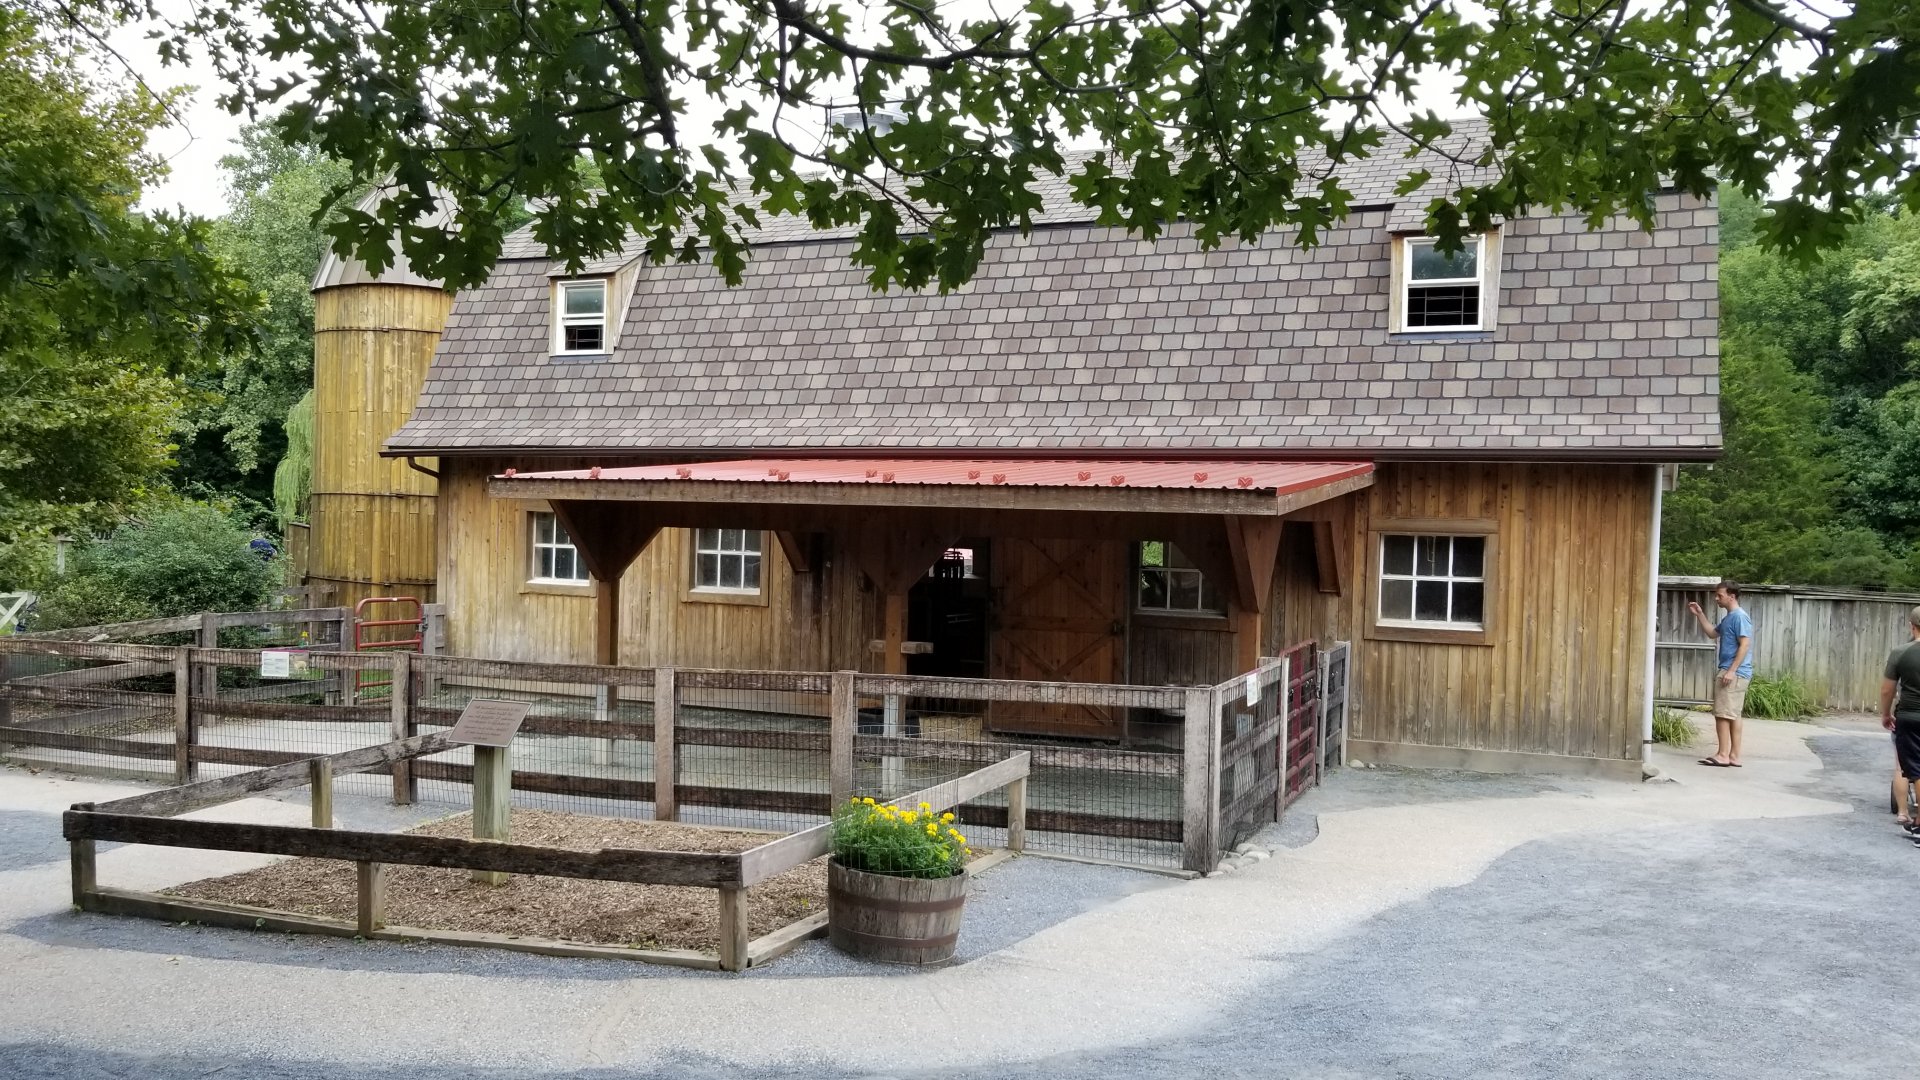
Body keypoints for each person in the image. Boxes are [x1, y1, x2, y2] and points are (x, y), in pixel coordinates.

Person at [1687, 580, 1753, 768]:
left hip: (1733, 672)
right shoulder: (1729, 618)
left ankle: (1723, 755)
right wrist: (1699, 614)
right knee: (1733, 714)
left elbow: (1745, 644)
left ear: (1731, 596)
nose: (1717, 598)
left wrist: (1731, 671)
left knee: (1723, 714)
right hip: (1735, 672)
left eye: (1720, 595)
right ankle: (1733, 756)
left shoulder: (1739, 617)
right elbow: (1712, 633)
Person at [1879, 605, 1920, 837]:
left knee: (1906, 767)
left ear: (1911, 626)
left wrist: (1886, 715)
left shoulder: (1901, 652)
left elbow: (1887, 690)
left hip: (1909, 717)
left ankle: (1906, 814)